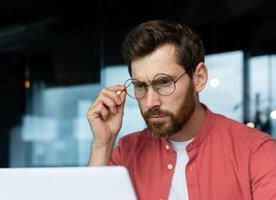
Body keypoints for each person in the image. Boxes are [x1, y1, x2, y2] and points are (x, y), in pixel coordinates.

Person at [87, 20, 276, 200]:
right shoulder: (125, 153)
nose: (151, 101)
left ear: (199, 78)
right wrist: (102, 145)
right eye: (140, 86)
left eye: (164, 82)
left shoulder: (257, 152)